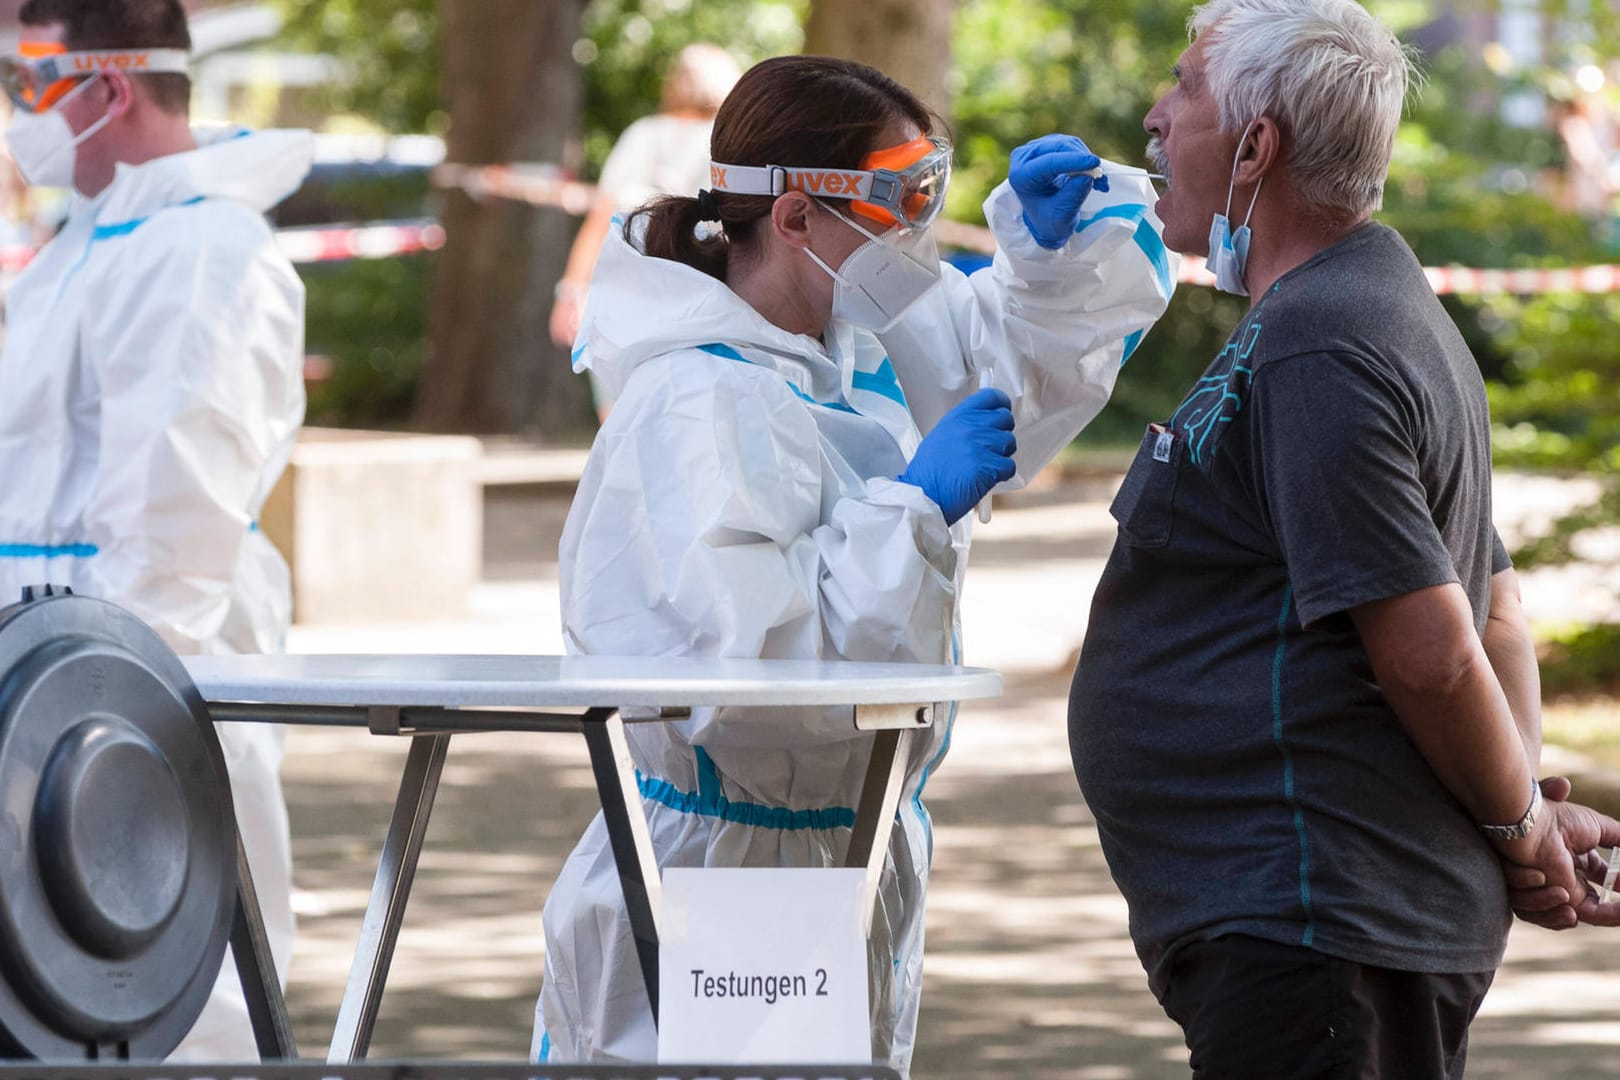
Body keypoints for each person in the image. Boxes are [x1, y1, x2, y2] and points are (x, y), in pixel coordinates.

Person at [533, 55, 1175, 1070]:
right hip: (733, 871)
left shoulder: (841, 336)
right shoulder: (697, 401)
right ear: (795, 216)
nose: (920, 230)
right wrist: (911, 512)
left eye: (935, 186)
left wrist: (1054, 265)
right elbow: (756, 679)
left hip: (835, 850)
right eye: (900, 195)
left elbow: (1006, 372)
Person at [1067, 1, 1620, 1076]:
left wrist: (1519, 832)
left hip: (1317, 922)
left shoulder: (1327, 336)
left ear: (1256, 146)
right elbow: (1493, 598)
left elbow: (1434, 642)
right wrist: (1524, 811)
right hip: (1312, 924)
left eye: (1184, 89)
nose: (1155, 116)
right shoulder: (1357, 309)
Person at [0, 0, 311, 1061]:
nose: (16, 113)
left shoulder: (200, 254)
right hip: (53, 661)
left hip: (128, 670)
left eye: (23, 84)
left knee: (172, 977)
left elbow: (170, 523)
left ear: (107, 87)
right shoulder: (92, 237)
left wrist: (99, 694)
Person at [548, 43, 741, 420]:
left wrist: (571, 292)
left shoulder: (643, 136)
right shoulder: (731, 145)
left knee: (620, 417)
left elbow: (603, 218)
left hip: (629, 292)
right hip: (706, 295)